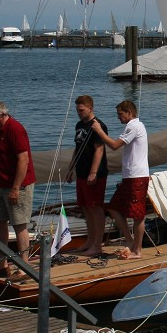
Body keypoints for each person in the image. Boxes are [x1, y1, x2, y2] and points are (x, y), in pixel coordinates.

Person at [91, 100, 149, 259]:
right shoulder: (132, 126)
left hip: (137, 175)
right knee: (113, 207)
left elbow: (115, 145)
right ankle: (130, 241)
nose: (118, 117)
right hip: (130, 176)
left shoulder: (134, 126)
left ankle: (137, 250)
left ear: (129, 112)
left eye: (120, 114)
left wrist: (100, 131)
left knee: (138, 214)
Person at [0, 100, 36, 273]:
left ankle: (24, 264)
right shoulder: (0, 130)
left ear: (0, 115)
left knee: (19, 223)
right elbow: (3, 160)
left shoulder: (14, 129)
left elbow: (23, 159)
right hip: (2, 184)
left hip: (17, 186)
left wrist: (15, 188)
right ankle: (2, 261)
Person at [66, 95, 109, 257]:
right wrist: (71, 169)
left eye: (81, 110)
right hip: (81, 172)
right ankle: (90, 241)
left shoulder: (98, 126)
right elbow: (77, 149)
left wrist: (93, 172)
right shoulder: (79, 125)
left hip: (95, 174)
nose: (79, 113)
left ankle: (98, 244)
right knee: (85, 207)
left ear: (90, 108)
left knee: (95, 206)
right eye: (77, 110)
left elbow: (99, 149)